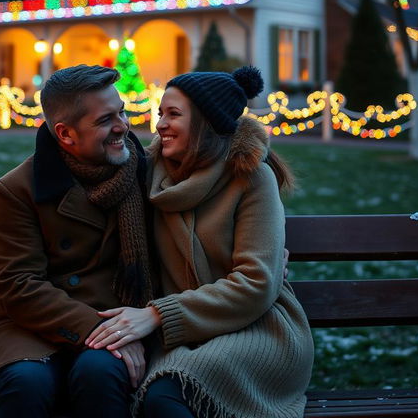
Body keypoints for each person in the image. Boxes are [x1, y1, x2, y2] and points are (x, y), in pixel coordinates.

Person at [85, 66, 314, 418]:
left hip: (254, 330)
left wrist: (157, 314)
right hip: (181, 336)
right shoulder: (143, 173)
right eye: (161, 113)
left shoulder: (251, 177)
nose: (160, 124)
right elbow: (79, 167)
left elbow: (256, 284)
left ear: (207, 121)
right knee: (152, 394)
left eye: (174, 114)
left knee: (168, 395)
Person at [0, 64, 155, 417]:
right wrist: (96, 328)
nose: (123, 126)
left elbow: (218, 165)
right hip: (34, 327)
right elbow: (18, 285)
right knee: (25, 383)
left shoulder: (146, 170)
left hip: (122, 318)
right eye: (105, 119)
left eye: (122, 111)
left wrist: (260, 246)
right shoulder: (18, 189)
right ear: (65, 134)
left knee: (102, 372)